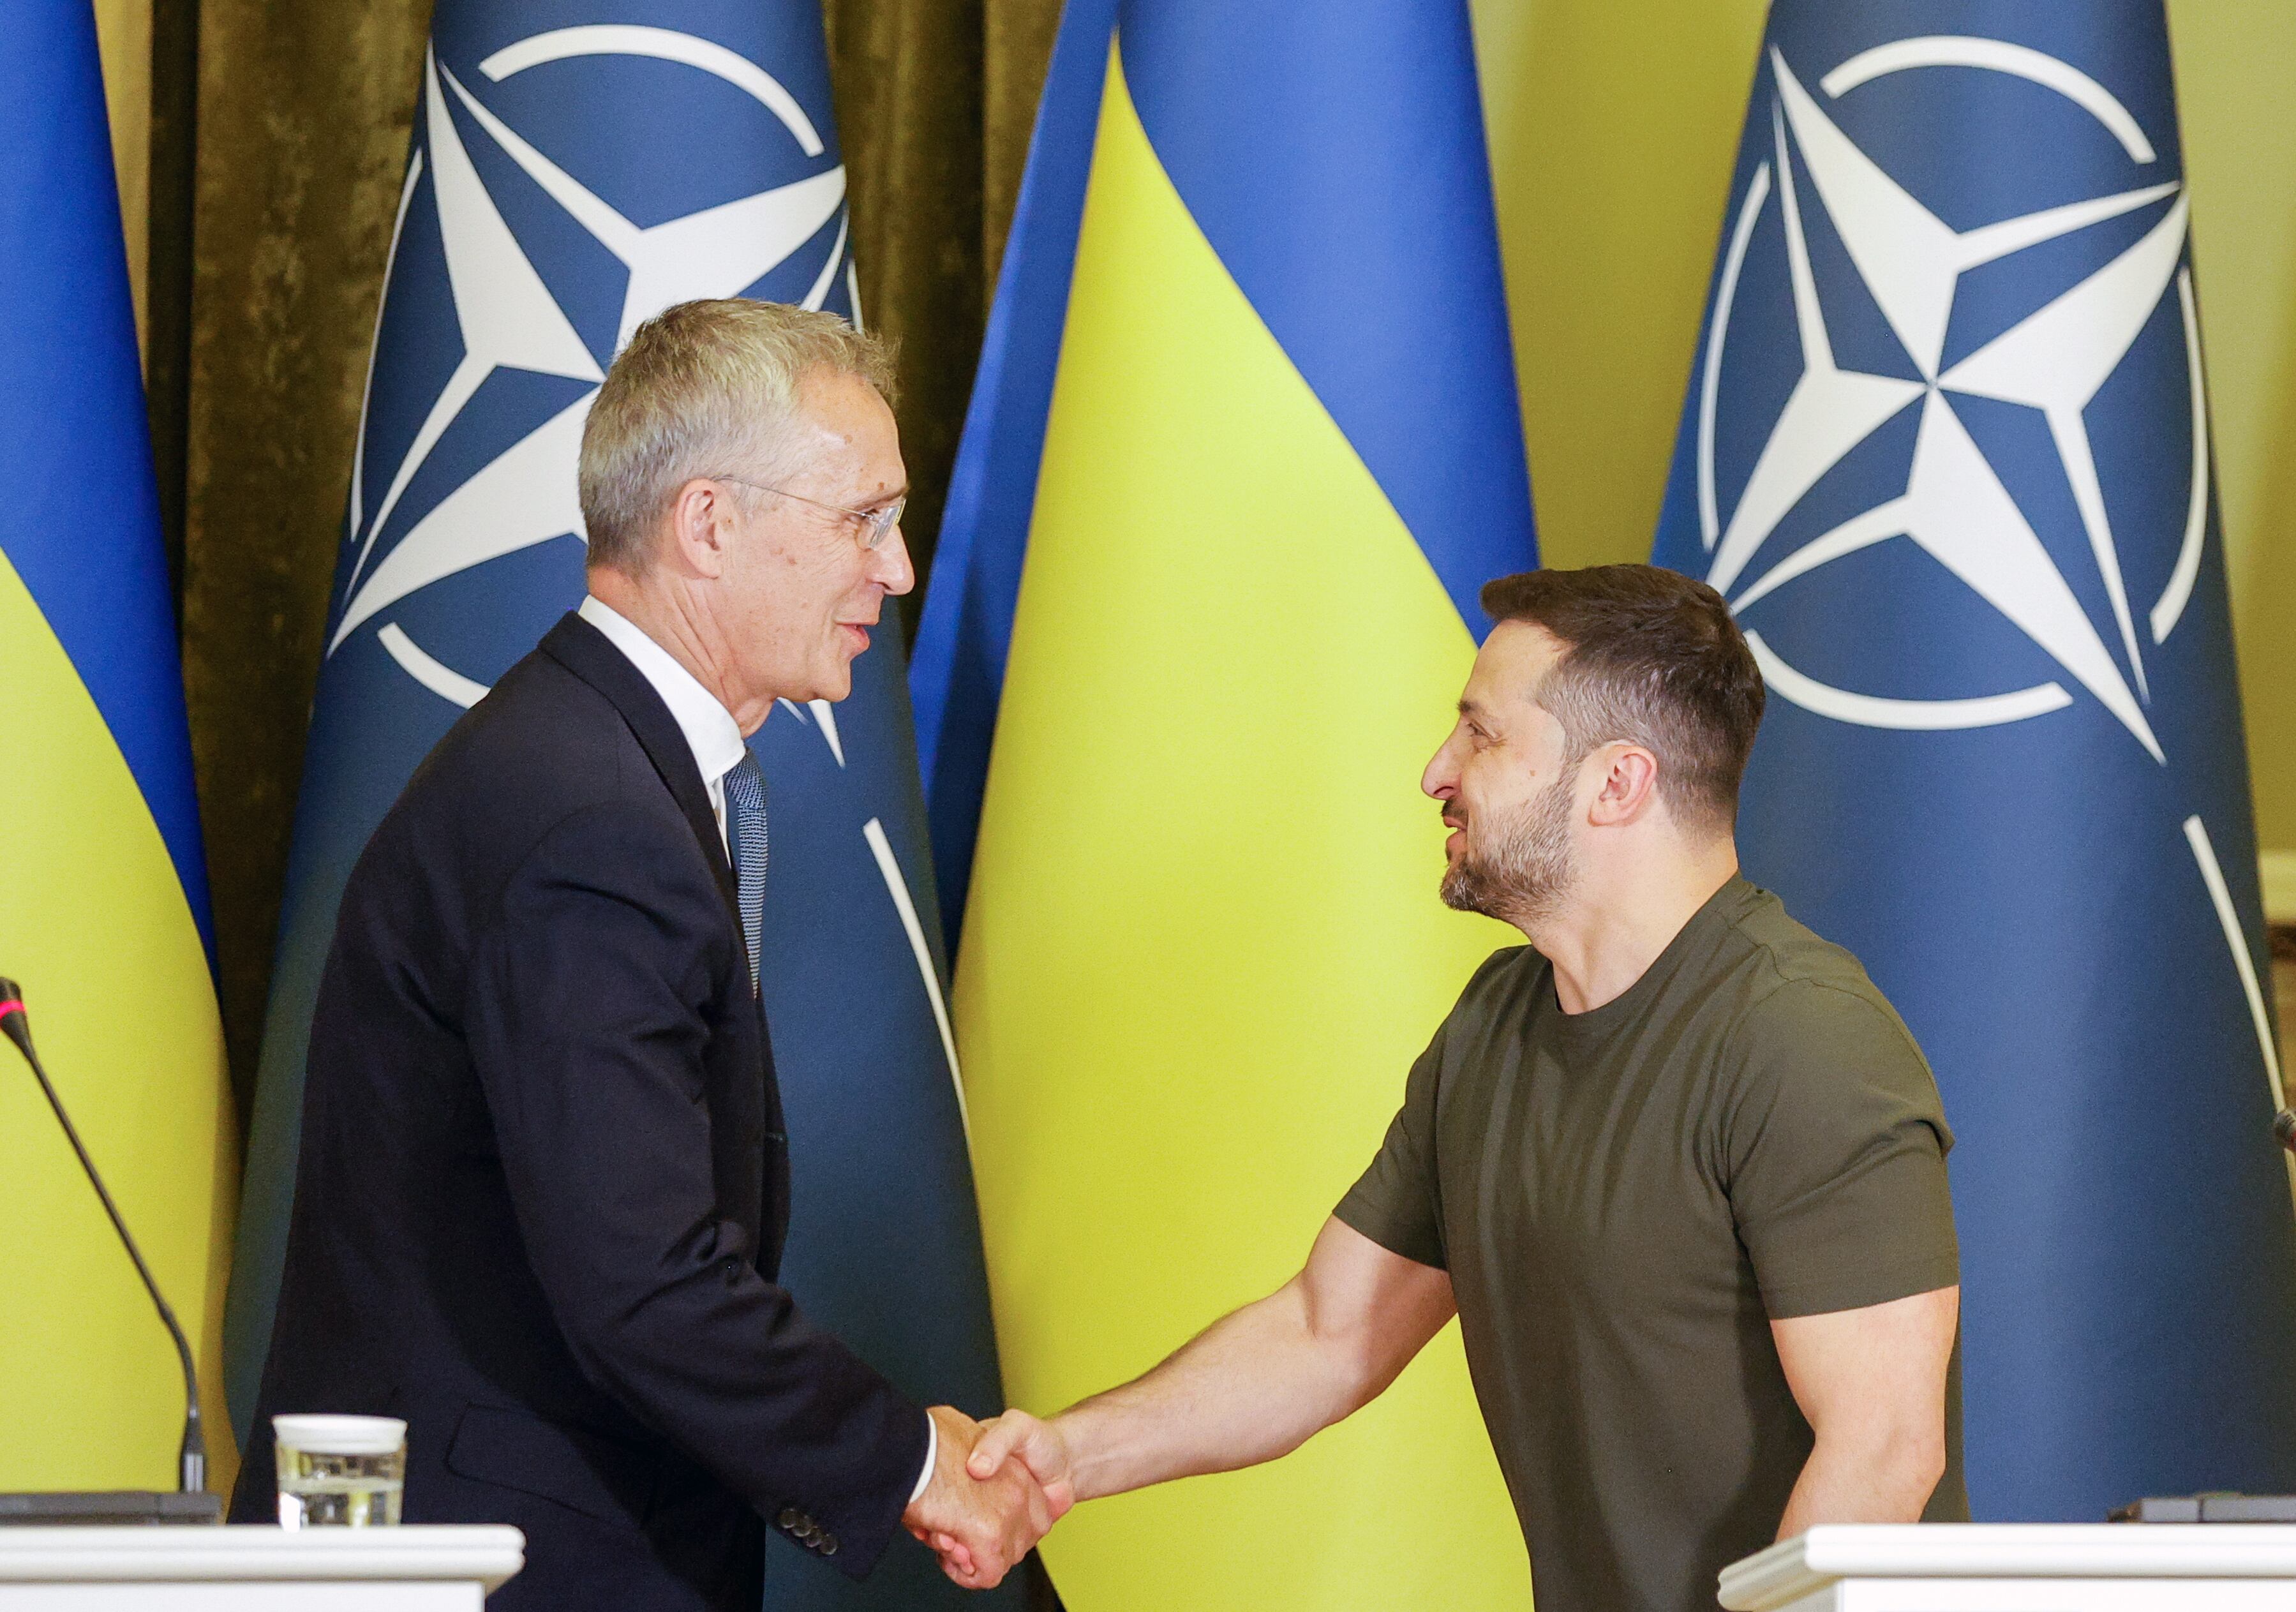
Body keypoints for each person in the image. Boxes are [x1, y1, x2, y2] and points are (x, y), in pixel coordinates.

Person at [232, 299, 1052, 1608]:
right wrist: (915, 1463)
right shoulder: (590, 822)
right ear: (710, 524)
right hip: (500, 1563)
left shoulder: (587, 765)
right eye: (862, 519)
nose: (894, 571)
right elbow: (644, 1284)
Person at [953, 565, 1965, 1611]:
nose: (1436, 771)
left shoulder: (1802, 1035)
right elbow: (1325, 1332)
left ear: (1615, 783)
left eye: (1481, 734)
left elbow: (1885, 1449)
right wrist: (1062, 1457)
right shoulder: (1494, 1024)